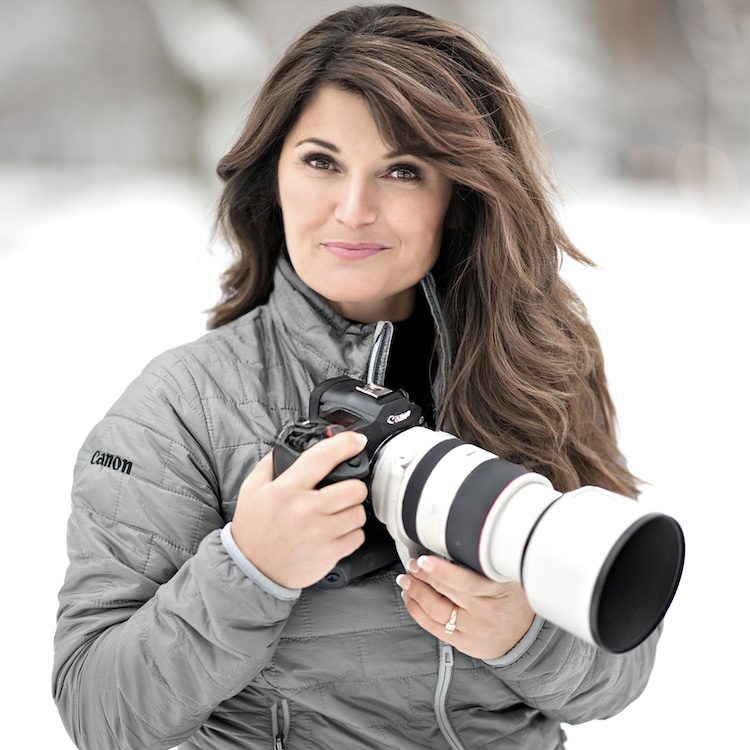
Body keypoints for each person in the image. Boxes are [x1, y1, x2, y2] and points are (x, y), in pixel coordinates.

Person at [53, 4, 660, 749]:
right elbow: (98, 710)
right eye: (321, 161)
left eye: (402, 170)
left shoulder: (535, 369)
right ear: (273, 173)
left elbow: (622, 663)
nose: (353, 209)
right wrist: (250, 568)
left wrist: (525, 635)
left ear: (458, 194)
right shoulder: (183, 407)